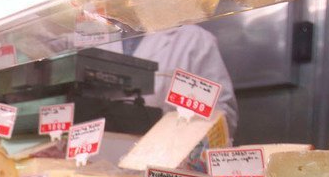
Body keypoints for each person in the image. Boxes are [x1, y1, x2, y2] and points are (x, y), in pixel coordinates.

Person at [99, 24, 239, 136]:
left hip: (168, 163)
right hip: (98, 163)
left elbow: (221, 116)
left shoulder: (193, 39)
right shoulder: (95, 38)